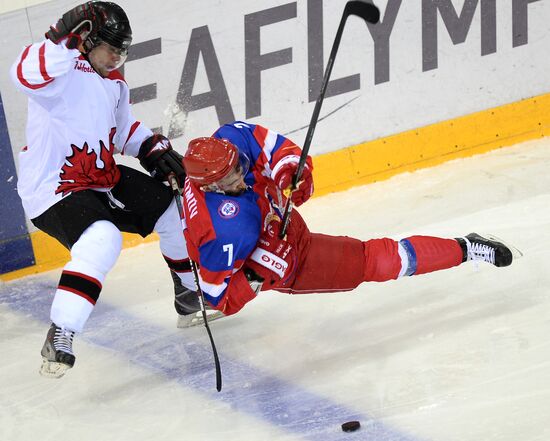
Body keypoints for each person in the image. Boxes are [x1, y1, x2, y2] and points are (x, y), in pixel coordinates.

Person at [9, 1, 202, 378]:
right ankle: (62, 330)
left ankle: (187, 294)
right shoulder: (59, 69)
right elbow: (23, 73)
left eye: (122, 50)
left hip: (100, 176)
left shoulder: (112, 81)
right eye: (111, 47)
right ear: (86, 39)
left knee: (174, 209)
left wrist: (150, 148)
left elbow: (120, 130)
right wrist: (59, 36)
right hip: (55, 187)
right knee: (102, 238)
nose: (117, 57)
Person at [177, 121, 515, 316]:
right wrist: (254, 274)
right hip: (290, 263)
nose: (242, 170)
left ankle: (465, 246)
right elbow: (216, 297)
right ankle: (466, 248)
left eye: (238, 164)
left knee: (374, 257)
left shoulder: (227, 145)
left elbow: (274, 148)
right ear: (213, 186)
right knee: (377, 262)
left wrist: (290, 171)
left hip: (280, 224)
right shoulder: (223, 233)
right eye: (232, 174)